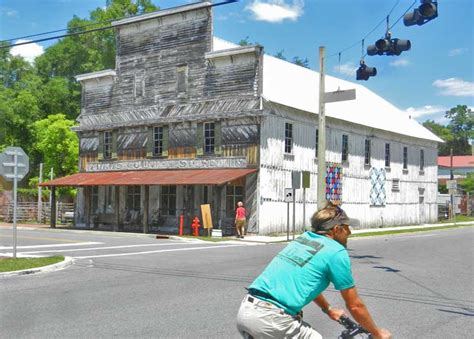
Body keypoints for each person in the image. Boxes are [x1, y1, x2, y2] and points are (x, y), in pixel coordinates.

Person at [236, 202, 391, 339]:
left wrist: (328, 309)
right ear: (336, 229)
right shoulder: (336, 251)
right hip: (271, 319)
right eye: (346, 228)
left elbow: (308, 281)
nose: (349, 232)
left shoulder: (303, 239)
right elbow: (355, 305)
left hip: (247, 311)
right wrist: (377, 334)